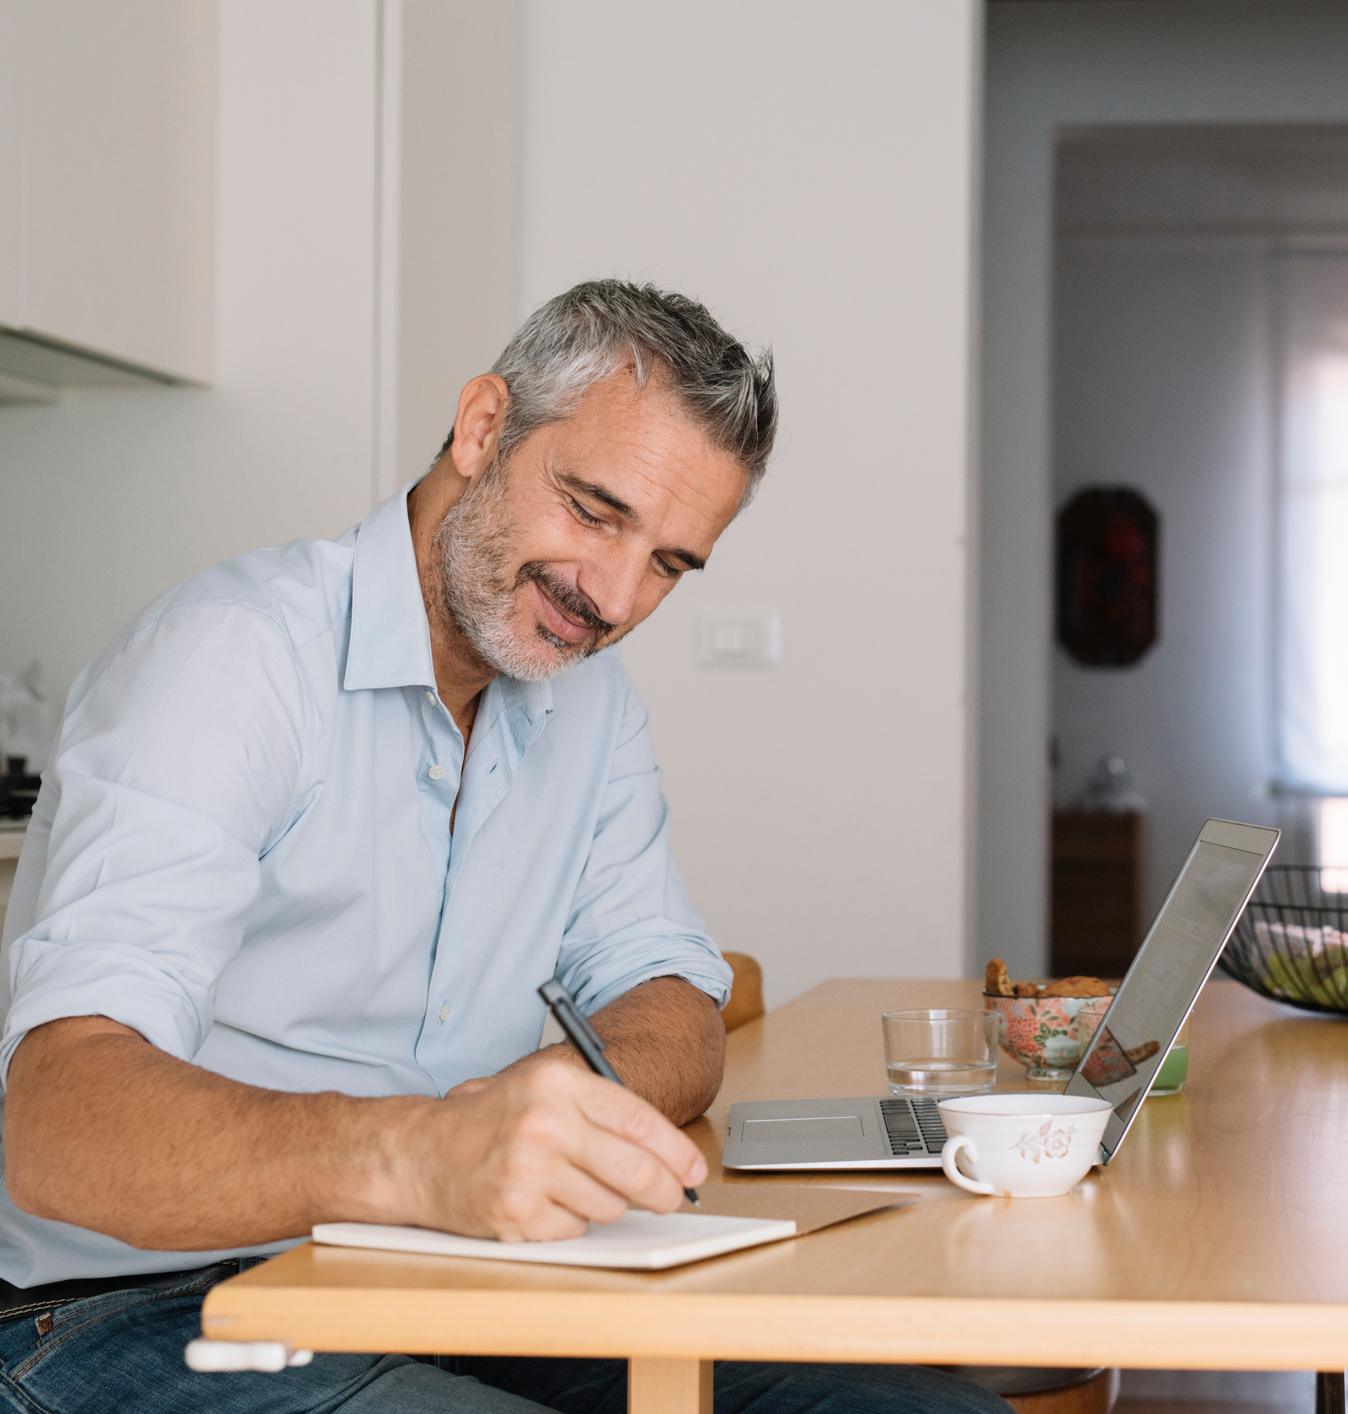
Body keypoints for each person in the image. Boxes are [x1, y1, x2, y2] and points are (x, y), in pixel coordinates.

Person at [0, 281, 1008, 1414]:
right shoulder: (232, 659)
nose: (616, 597)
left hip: (434, 1261)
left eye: (672, 562)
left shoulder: (587, 699)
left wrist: (539, 1111)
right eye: (595, 510)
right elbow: (54, 1123)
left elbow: (669, 994)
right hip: (123, 1305)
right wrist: (431, 1153)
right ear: (483, 427)